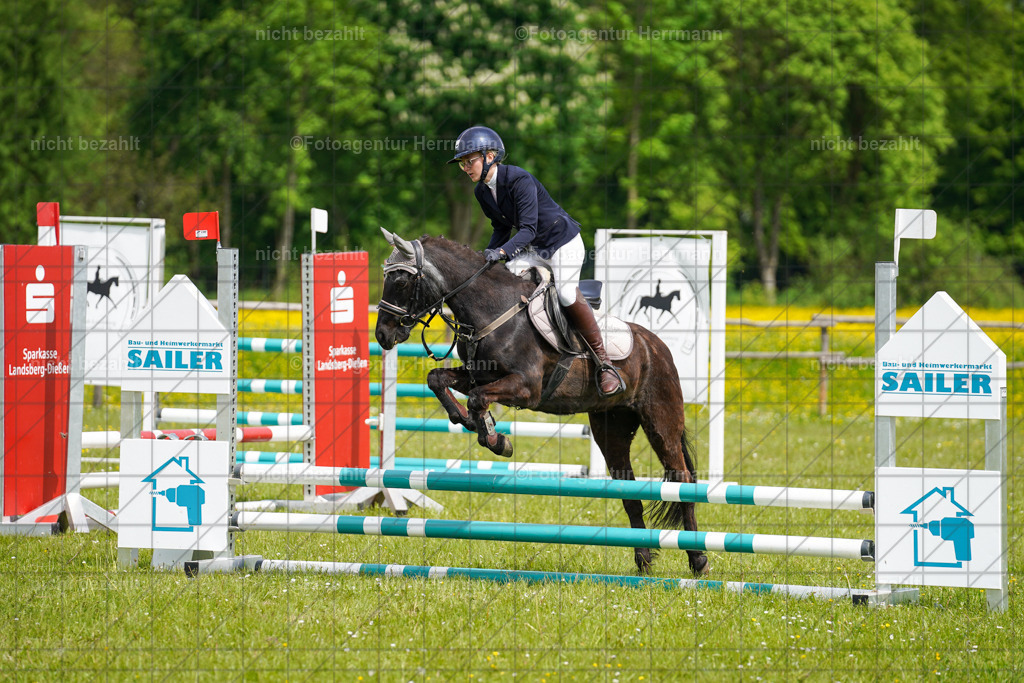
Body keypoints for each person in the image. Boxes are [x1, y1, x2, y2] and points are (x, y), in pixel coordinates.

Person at [447, 125, 625, 396]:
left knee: (565, 293)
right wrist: (487, 257)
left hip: (563, 243)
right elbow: (501, 227)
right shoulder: (482, 192)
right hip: (534, 248)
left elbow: (528, 229)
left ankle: (605, 363)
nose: (466, 168)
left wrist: (502, 253)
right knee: (505, 279)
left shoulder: (519, 179)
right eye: (463, 164)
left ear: (490, 156)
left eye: (469, 161)